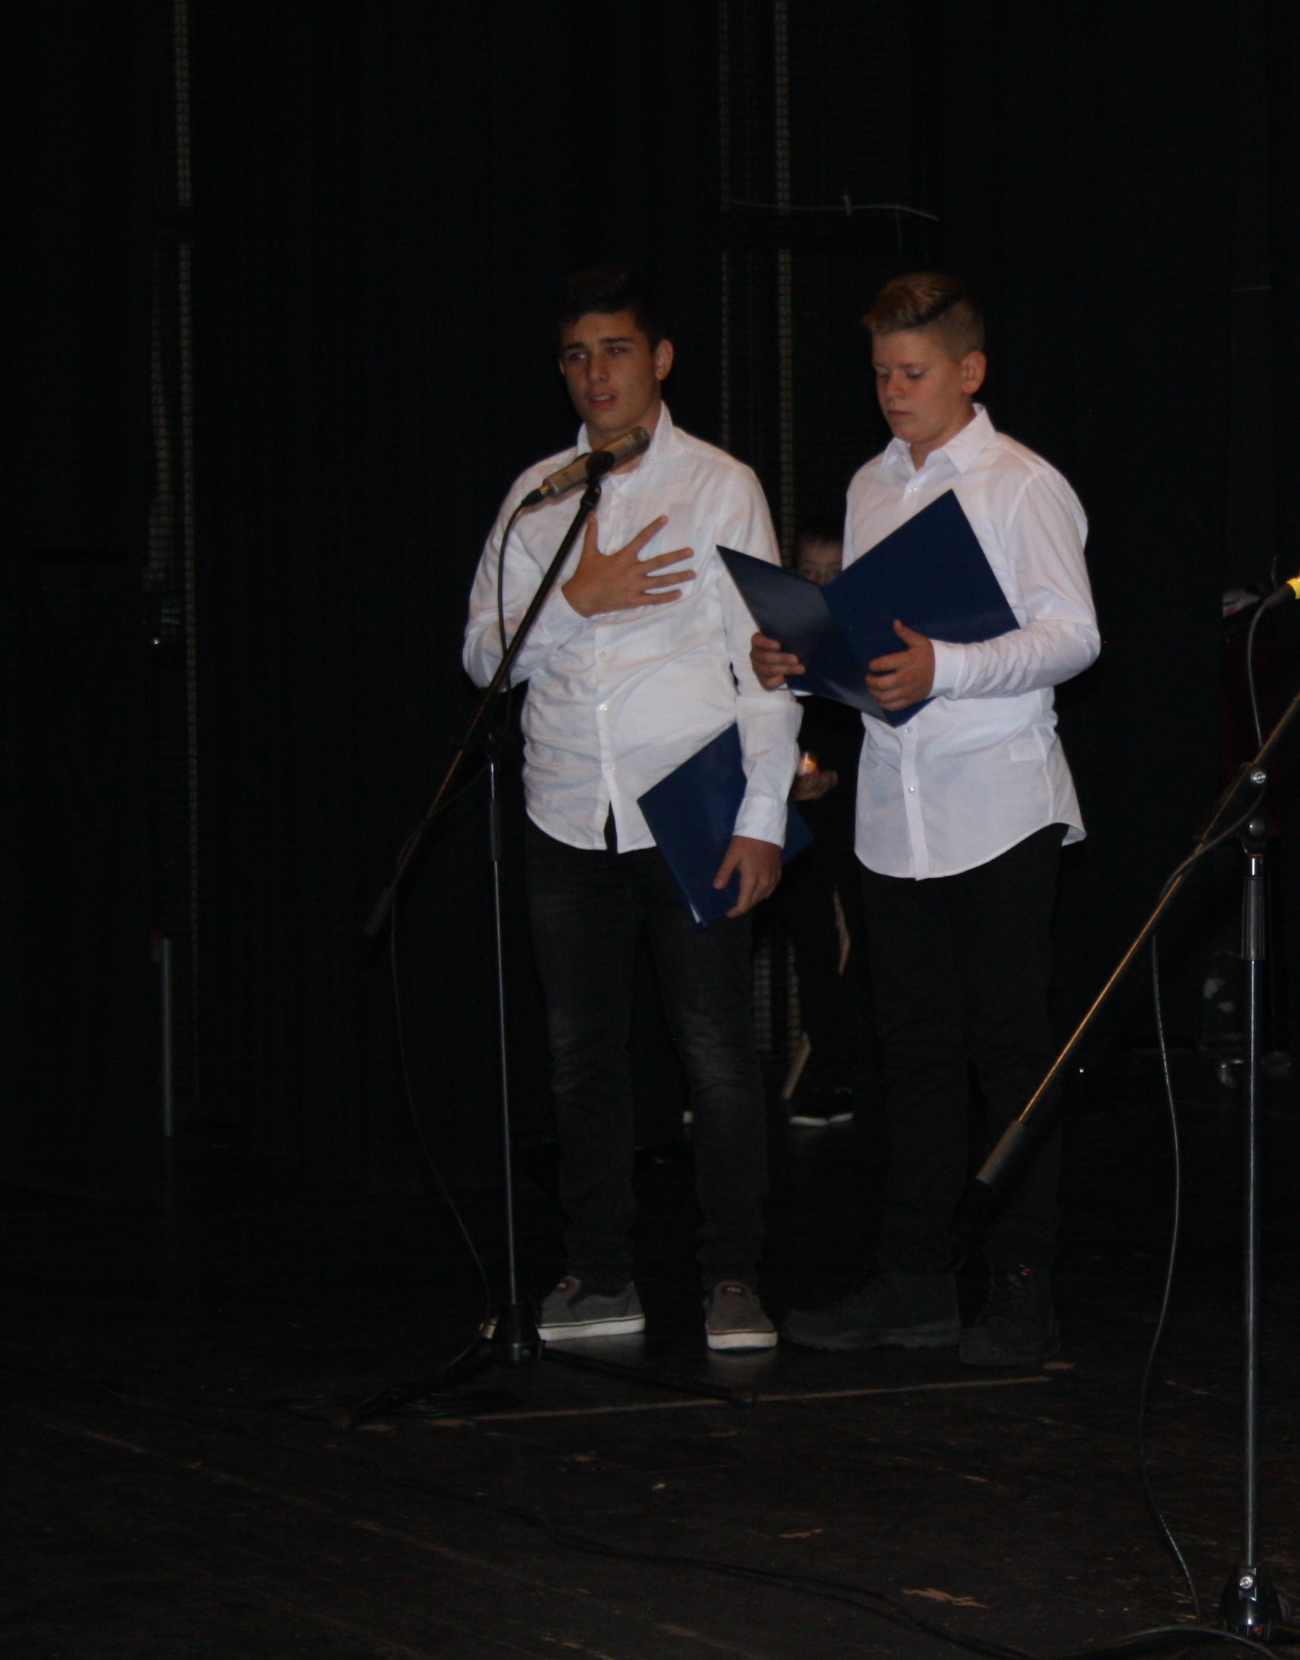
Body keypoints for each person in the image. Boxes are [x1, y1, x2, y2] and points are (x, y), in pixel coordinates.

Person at [755, 272, 1099, 1368]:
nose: (893, 392)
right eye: (880, 375)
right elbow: (872, 639)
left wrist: (946, 665)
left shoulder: (1019, 483)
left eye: (912, 372)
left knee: (1009, 1050)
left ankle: (1021, 1284)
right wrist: (804, 656)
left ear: (969, 370)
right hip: (893, 809)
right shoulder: (869, 486)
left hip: (996, 803)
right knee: (911, 1051)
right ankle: (915, 1277)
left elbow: (1073, 635)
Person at [460, 264, 796, 1354]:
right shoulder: (538, 495)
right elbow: (482, 658)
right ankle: (600, 1272)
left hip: (690, 807)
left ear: (660, 359)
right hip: (566, 812)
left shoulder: (720, 485)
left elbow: (765, 663)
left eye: (614, 349)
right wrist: (575, 600)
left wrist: (761, 815)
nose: (594, 372)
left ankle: (733, 1274)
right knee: (581, 1057)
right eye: (575, 354)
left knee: (716, 1055)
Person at [775, 519, 874, 1129]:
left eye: (833, 573)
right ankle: (834, 1075)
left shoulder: (872, 633)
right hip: (794, 811)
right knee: (809, 944)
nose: (820, 585)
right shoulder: (777, 640)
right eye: (808, 573)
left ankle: (867, 1071)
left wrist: (836, 774)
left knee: (871, 939)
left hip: (859, 810)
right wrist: (790, 772)